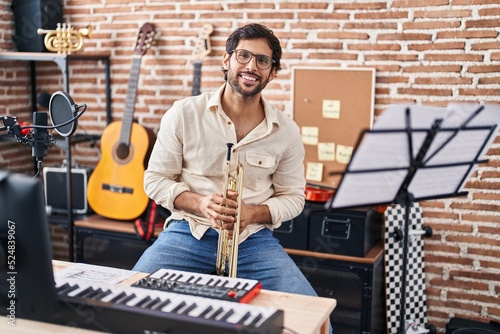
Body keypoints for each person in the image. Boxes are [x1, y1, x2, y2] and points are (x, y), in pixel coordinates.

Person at [132, 23, 317, 298]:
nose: (251, 66)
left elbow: (293, 198)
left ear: (273, 72)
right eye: (243, 55)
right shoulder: (183, 113)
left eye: (262, 60)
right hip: (187, 232)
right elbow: (155, 180)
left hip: (253, 241)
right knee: (132, 299)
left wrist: (253, 213)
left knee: (313, 315)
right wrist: (201, 203)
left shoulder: (287, 132)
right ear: (226, 59)